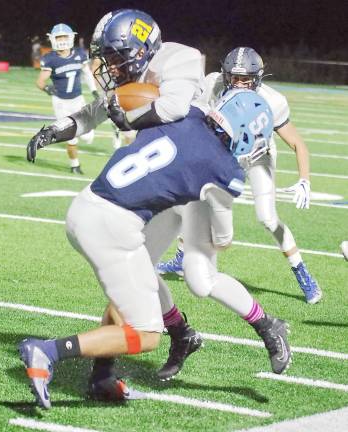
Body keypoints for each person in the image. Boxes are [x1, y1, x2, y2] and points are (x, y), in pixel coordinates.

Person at [19, 88, 291, 409]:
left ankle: (103, 378)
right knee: (146, 334)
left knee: (129, 291)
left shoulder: (187, 113)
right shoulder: (225, 171)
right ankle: (48, 351)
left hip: (87, 205)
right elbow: (223, 238)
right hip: (114, 227)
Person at [26, 8, 206, 393]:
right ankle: (107, 373)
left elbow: (173, 108)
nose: (108, 65)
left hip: (182, 190)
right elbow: (95, 111)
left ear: (141, 49)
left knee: (136, 283)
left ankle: (177, 333)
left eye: (114, 56)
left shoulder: (180, 59)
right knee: (129, 282)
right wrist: (57, 130)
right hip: (153, 185)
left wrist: (129, 120)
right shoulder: (132, 75)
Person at [158, 47, 322, 305]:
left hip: (258, 155)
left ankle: (302, 271)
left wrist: (305, 179)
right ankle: (182, 255)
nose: (239, 84)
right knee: (195, 196)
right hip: (225, 153)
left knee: (267, 218)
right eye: (234, 78)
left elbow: (298, 144)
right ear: (225, 74)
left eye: (245, 79)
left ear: (257, 78)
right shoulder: (214, 83)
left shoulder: (273, 100)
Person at [36, 24, 99, 174]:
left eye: (64, 36)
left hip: (78, 100)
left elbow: (87, 74)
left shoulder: (79, 55)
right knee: (71, 137)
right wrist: (46, 88)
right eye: (59, 37)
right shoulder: (50, 59)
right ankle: (74, 165)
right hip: (60, 103)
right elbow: (39, 82)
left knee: (88, 136)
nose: (62, 40)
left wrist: (94, 91)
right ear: (53, 39)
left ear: (71, 37)